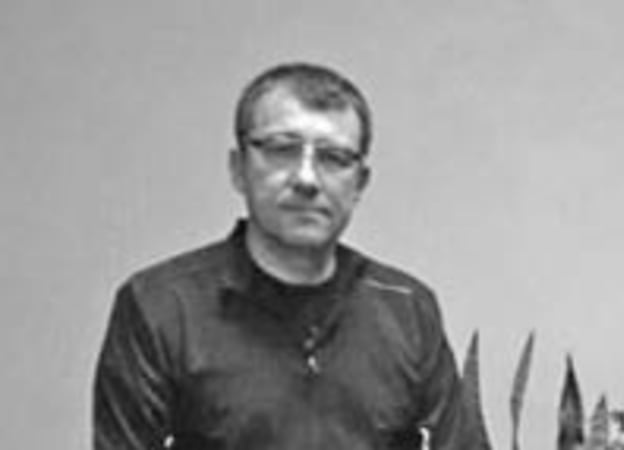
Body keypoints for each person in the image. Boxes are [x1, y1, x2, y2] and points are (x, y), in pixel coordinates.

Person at [93, 62, 477, 450]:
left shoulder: (407, 311)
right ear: (238, 169)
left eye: (334, 158)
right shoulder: (162, 308)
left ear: (360, 184)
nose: (306, 179)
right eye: (282, 150)